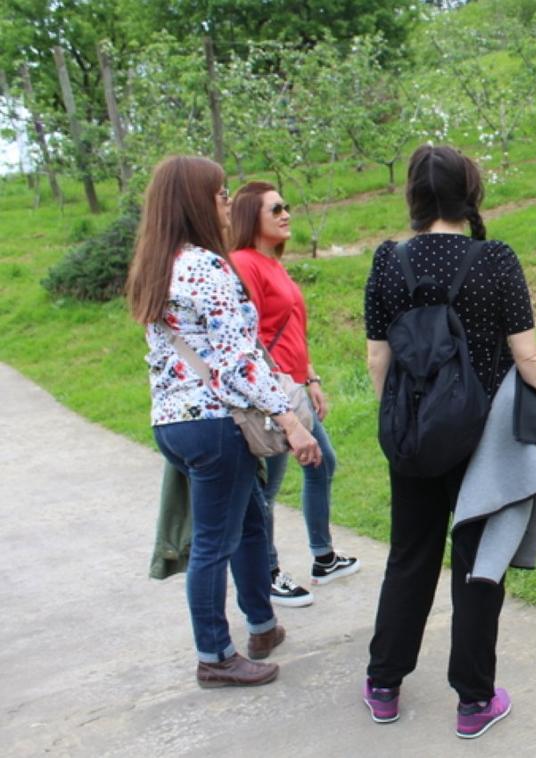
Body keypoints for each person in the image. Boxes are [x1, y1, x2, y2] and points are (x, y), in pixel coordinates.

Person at [362, 145, 536, 736]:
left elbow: (378, 358)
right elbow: (526, 355)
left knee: (410, 555)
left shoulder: (389, 261)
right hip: (482, 438)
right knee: (477, 564)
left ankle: (384, 684)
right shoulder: (495, 258)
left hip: (413, 435)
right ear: (470, 191)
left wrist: (400, 421)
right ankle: (474, 701)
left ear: (414, 195)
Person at [125, 155, 321, 687]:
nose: (225, 203)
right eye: (218, 194)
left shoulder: (156, 264)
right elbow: (238, 361)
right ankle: (214, 655)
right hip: (215, 424)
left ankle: (262, 624)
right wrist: (290, 419)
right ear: (194, 201)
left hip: (173, 423)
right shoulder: (206, 268)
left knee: (250, 519)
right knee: (215, 541)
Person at [228, 182, 360, 608]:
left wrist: (312, 377)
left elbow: (290, 330)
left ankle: (323, 557)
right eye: (275, 209)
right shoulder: (244, 263)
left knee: (322, 463)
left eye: (286, 206)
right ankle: (266, 574)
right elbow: (247, 338)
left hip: (293, 388)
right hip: (271, 396)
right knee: (268, 488)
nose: (286, 214)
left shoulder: (273, 263)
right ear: (252, 218)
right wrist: (279, 393)